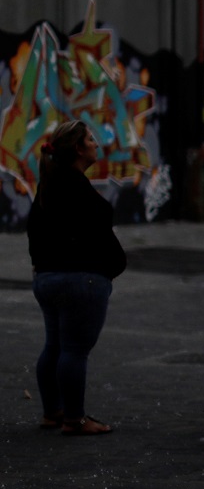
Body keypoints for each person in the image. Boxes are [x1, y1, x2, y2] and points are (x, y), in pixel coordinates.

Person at [26, 121, 126, 436]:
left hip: (48, 279)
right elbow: (94, 232)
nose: (97, 144)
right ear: (79, 150)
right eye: (91, 140)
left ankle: (52, 412)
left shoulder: (48, 186)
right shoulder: (76, 188)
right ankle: (74, 418)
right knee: (74, 350)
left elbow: (35, 232)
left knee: (54, 346)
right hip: (80, 282)